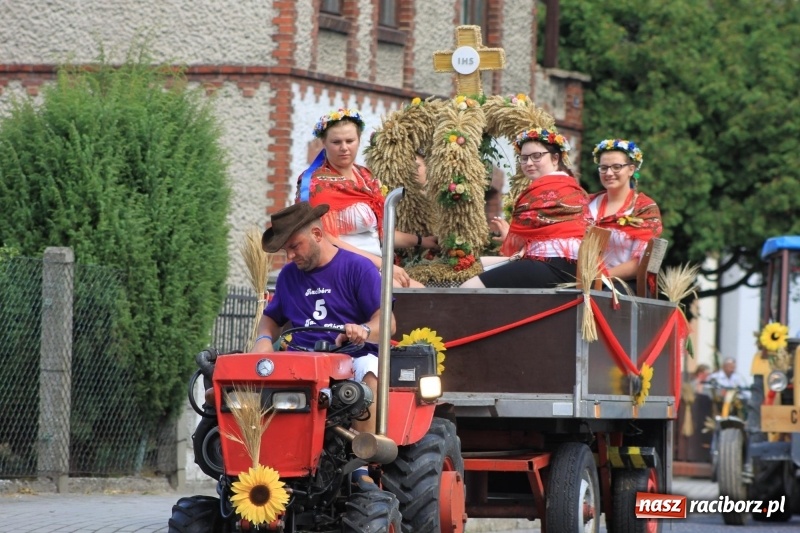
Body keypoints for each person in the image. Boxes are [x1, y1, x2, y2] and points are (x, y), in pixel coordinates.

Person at [254, 201, 394, 488]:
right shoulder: (289, 277)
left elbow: (387, 322)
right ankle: (266, 460)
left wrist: (364, 329)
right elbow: (270, 318)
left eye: (295, 246)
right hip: (300, 362)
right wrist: (263, 341)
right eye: (286, 250)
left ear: (317, 234)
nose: (290, 256)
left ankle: (361, 463)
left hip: (348, 359)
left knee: (369, 369)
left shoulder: (358, 268)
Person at [297, 108, 436, 287]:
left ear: (359, 140)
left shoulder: (365, 176)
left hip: (373, 266)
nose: (344, 147)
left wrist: (423, 241)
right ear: (323, 142)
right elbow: (323, 238)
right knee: (417, 295)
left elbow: (378, 233)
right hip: (340, 268)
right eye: (336, 142)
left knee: (422, 293)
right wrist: (384, 265)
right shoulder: (316, 184)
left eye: (350, 141)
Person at [461, 127, 590, 288]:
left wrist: (511, 236)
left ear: (555, 158)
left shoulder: (550, 188)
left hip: (554, 264)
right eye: (524, 158)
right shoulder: (570, 186)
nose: (528, 163)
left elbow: (531, 234)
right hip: (569, 266)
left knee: (468, 288)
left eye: (536, 156)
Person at [588, 139, 662, 282]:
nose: (609, 173)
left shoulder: (643, 209)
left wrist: (598, 278)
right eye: (603, 167)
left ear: (631, 169)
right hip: (581, 280)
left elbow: (641, 261)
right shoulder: (587, 203)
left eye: (616, 167)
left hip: (623, 284)